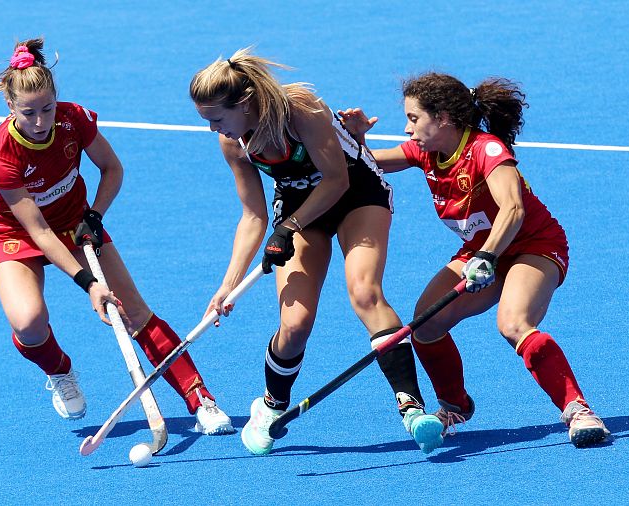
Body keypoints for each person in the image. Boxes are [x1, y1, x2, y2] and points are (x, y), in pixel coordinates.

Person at [189, 48, 445, 456]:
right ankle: (271, 405)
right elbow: (253, 216)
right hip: (298, 209)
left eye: (216, 119)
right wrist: (228, 286)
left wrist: (288, 228)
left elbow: (336, 180)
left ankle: (412, 408)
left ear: (244, 103)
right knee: (295, 325)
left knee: (365, 293)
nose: (212, 128)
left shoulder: (301, 110)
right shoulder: (233, 143)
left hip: (356, 193)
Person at [337, 72, 610, 448]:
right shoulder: (425, 151)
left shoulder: (487, 150)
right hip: (481, 252)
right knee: (426, 324)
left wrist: (486, 256)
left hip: (532, 245)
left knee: (513, 323)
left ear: (443, 118)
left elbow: (513, 209)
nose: (407, 128)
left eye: (414, 118)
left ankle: (578, 410)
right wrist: (357, 141)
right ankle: (455, 406)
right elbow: (369, 164)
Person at [0, 38, 234, 435]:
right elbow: (40, 231)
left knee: (136, 313)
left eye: (47, 108)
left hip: (76, 223)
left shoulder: (73, 120)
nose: (40, 121)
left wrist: (94, 216)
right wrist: (90, 284)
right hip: (16, 232)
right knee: (28, 322)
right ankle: (60, 370)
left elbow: (112, 169)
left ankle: (200, 398)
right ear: (10, 106)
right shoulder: (1, 155)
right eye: (28, 112)